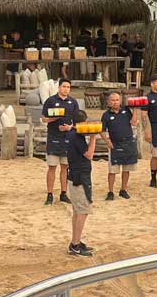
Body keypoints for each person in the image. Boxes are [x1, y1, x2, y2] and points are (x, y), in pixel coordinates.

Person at [41, 77, 79, 205]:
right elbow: (43, 119)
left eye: (68, 87)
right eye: (64, 86)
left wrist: (70, 127)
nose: (66, 89)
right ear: (59, 87)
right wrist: (54, 118)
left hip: (68, 139)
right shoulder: (51, 101)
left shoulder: (73, 102)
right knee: (52, 167)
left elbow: (77, 121)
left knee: (65, 167)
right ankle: (50, 194)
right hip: (54, 137)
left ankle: (63, 193)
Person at [65, 109, 97, 257]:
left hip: (74, 175)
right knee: (82, 211)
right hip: (80, 177)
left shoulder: (71, 133)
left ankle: (75, 241)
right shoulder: (76, 136)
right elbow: (89, 155)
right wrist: (93, 138)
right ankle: (75, 244)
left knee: (77, 211)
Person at [101, 92, 138, 200]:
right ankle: (110, 192)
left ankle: (123, 190)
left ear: (120, 101)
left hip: (128, 143)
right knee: (112, 170)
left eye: (117, 100)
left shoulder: (126, 110)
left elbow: (134, 123)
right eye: (112, 100)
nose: (115, 102)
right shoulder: (106, 115)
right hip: (114, 145)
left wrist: (135, 109)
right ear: (108, 102)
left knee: (126, 169)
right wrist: (107, 142)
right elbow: (101, 130)